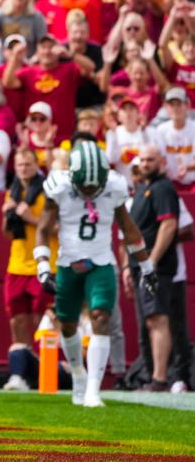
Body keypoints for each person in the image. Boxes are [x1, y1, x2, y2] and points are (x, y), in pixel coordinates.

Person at [36, 142, 150, 407]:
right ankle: (78, 375)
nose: (90, 191)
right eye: (85, 186)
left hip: (101, 262)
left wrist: (147, 268)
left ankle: (93, 391)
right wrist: (43, 267)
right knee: (67, 323)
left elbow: (129, 228)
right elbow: (43, 229)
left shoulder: (114, 186)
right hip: (67, 263)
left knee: (101, 317)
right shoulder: (60, 187)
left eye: (94, 186)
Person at [0, 148, 53, 392]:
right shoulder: (13, 193)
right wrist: (7, 216)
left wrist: (31, 217)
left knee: (43, 320)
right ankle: (19, 372)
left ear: (36, 164)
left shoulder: (48, 190)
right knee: (17, 320)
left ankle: (45, 371)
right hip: (18, 264)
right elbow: (8, 235)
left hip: (44, 264)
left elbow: (60, 228)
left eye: (28, 164)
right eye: (19, 164)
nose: (23, 168)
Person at [128, 145, 180, 392]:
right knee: (149, 320)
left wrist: (152, 261)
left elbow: (168, 225)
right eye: (143, 159)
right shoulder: (142, 190)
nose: (146, 164)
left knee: (157, 317)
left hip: (154, 267)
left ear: (161, 162)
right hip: (140, 266)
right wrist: (131, 267)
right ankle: (153, 376)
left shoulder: (162, 188)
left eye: (151, 159)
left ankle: (160, 378)